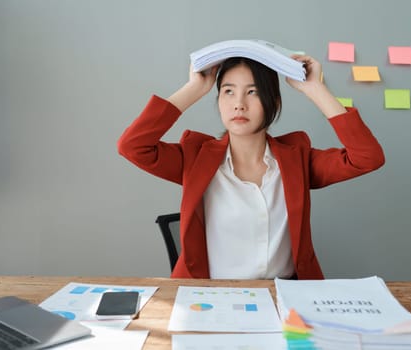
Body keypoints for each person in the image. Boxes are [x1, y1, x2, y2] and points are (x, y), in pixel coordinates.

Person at [117, 54, 385, 280]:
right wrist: (194, 88)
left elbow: (366, 157)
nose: (239, 104)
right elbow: (132, 146)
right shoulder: (195, 158)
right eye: (228, 91)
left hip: (286, 297)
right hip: (211, 299)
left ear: (274, 103)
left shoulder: (297, 160)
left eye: (253, 92)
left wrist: (316, 88)